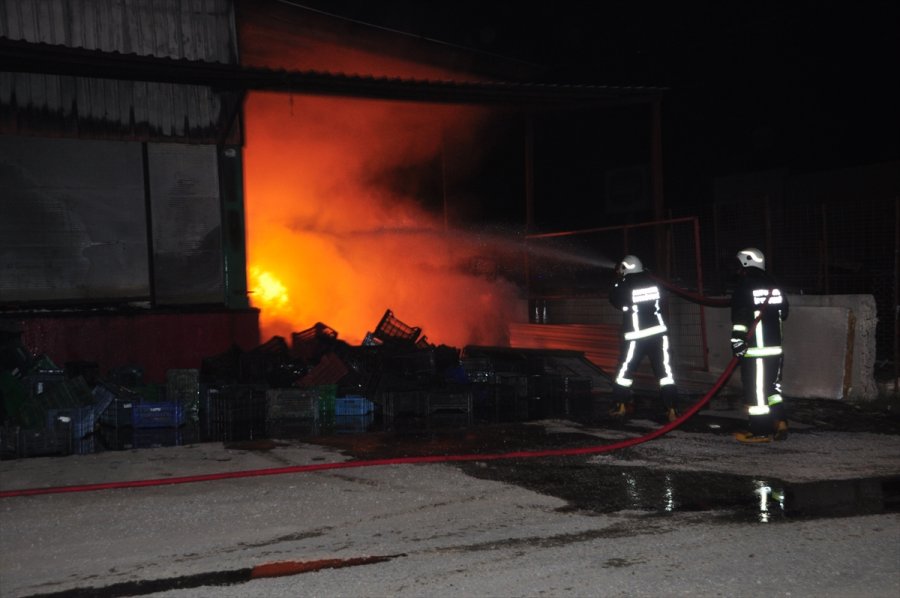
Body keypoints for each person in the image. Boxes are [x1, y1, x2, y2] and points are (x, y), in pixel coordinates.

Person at [608, 255, 680, 422]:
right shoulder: (653, 281)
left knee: (625, 372)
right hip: (658, 334)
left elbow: (615, 300)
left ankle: (620, 405)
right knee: (665, 373)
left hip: (636, 335)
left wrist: (618, 280)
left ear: (626, 267)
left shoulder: (626, 284)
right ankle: (672, 408)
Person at [730, 247, 790, 443]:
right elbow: (785, 312)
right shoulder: (774, 284)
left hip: (755, 350)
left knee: (756, 391)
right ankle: (780, 421)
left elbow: (740, 316)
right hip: (775, 348)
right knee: (771, 388)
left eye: (739, 265)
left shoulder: (745, 285)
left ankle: (759, 431)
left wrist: (737, 341)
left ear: (746, 263)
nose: (738, 270)